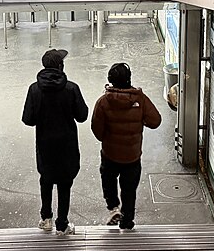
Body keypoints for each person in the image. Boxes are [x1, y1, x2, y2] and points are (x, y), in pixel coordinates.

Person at [22, 49, 88, 235]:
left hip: (45, 145)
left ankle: (46, 218)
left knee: (46, 180)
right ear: (61, 66)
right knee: (65, 183)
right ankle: (62, 224)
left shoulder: (34, 89)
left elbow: (28, 119)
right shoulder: (71, 88)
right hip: (67, 144)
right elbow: (82, 116)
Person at [91, 62, 161, 230]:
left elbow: (97, 129)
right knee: (129, 190)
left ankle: (113, 207)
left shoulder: (103, 102)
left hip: (110, 153)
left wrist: (106, 138)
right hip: (132, 155)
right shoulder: (139, 99)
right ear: (129, 79)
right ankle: (127, 221)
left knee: (108, 180)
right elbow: (155, 121)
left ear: (110, 80)